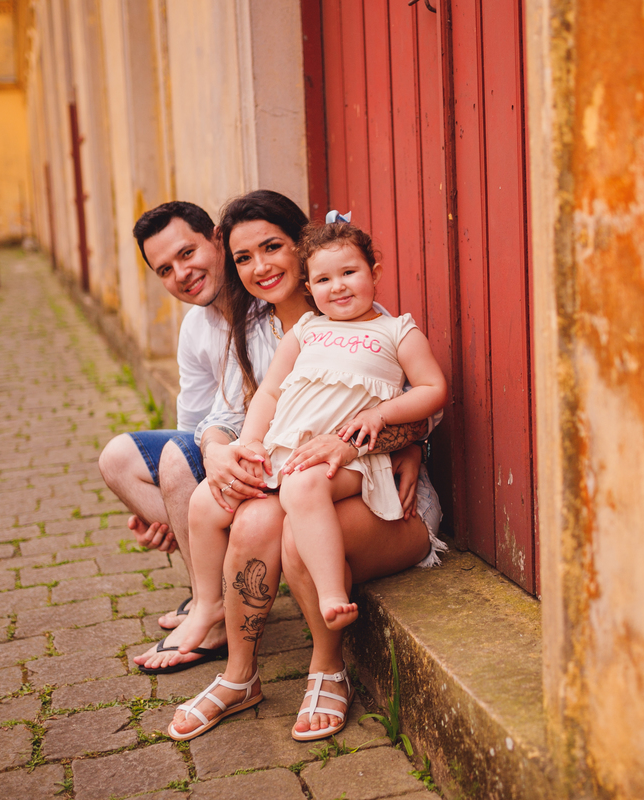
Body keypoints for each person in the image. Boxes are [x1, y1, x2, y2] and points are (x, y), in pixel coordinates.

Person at [133, 191, 443, 745]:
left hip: (375, 491)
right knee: (252, 521)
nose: (259, 267)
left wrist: (395, 439)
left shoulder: (372, 320)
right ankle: (238, 677)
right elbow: (230, 412)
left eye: (273, 248)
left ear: (304, 251)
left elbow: (422, 400)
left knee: (298, 535)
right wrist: (223, 449)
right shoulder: (256, 328)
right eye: (244, 259)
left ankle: (328, 669)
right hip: (298, 473)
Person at [186, 217, 448, 636]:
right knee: (204, 502)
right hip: (286, 448)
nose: (338, 286)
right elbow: (269, 393)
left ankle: (330, 593)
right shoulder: (307, 330)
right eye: (324, 279)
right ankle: (206, 603)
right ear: (309, 287)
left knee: (302, 487)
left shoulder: (396, 330)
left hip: (347, 459)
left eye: (349, 273)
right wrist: (252, 441)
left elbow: (433, 390)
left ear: (374, 274)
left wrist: (381, 415)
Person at [97, 202, 229, 632]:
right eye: (165, 270)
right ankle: (211, 589)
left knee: (176, 460)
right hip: (223, 446)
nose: (180, 274)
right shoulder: (195, 325)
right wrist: (175, 511)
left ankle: (212, 611)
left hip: (268, 449)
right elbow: (189, 428)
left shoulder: (265, 299)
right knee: (117, 458)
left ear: (217, 238)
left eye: (187, 253)